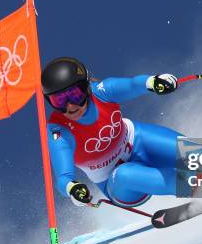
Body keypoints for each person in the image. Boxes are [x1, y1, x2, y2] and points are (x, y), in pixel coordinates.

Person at [42, 57, 183, 208]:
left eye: (75, 95)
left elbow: (133, 85)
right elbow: (64, 178)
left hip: (139, 141)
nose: (70, 106)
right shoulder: (58, 131)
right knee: (125, 174)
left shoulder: (101, 92)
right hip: (117, 182)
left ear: (86, 87)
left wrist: (153, 82)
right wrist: (73, 189)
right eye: (59, 101)